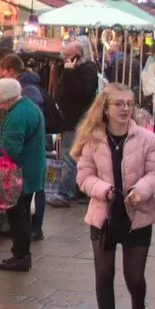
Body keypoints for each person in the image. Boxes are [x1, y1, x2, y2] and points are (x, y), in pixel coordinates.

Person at [73, 84, 155, 309]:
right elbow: (83, 177)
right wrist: (104, 190)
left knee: (134, 277)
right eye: (119, 104)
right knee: (103, 274)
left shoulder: (148, 139)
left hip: (137, 214)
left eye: (129, 103)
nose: (126, 109)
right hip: (103, 215)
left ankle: (138, 306)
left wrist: (141, 190)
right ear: (106, 108)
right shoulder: (93, 139)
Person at [0, 77, 44, 272]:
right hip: (30, 170)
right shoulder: (28, 107)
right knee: (21, 214)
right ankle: (19, 253)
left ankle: (21, 257)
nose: (0, 107)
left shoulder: (18, 114)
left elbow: (10, 149)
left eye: (0, 103)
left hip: (20, 173)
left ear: (7, 99)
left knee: (17, 215)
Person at [0, 54, 53, 239]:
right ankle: (26, 242)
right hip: (31, 165)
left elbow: (12, 147)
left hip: (24, 169)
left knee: (20, 213)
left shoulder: (21, 109)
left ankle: (24, 248)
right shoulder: (27, 102)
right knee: (23, 210)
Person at [53, 37, 100, 204]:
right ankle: (76, 190)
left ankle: (64, 193)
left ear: (76, 56)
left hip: (76, 121)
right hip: (68, 121)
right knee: (72, 156)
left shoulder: (87, 71)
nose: (63, 58)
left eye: (67, 55)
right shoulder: (69, 70)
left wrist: (69, 72)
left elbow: (83, 94)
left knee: (70, 156)